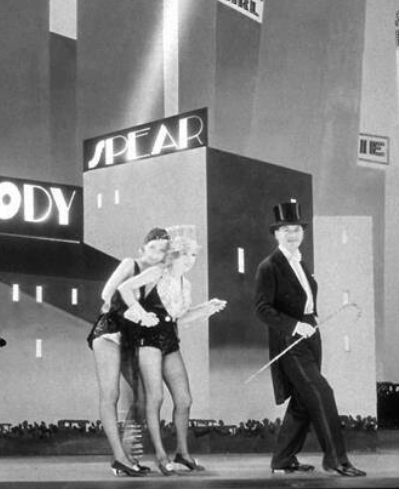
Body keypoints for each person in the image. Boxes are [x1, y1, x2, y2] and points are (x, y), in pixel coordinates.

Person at [254, 198, 366, 477]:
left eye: (297, 229)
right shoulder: (269, 266)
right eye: (286, 230)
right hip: (290, 340)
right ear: (276, 234)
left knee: (304, 399)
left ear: (302, 233)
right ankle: (336, 460)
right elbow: (262, 309)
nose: (292, 234)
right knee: (320, 392)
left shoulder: (300, 263)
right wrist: (294, 326)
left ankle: (282, 460)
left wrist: (308, 324)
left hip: (310, 334)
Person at [118, 230, 227, 476]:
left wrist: (207, 308)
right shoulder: (157, 272)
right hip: (147, 339)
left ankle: (183, 454)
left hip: (169, 340)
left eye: (193, 255)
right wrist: (141, 313)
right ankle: (160, 456)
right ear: (173, 255)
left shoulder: (185, 284)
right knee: (155, 398)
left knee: (184, 399)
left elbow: (180, 317)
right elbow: (124, 288)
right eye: (184, 254)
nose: (190, 260)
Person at [87, 227, 170, 478]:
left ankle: (127, 456)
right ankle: (119, 458)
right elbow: (106, 294)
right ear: (142, 249)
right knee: (110, 394)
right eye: (153, 247)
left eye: (162, 250)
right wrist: (135, 308)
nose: (156, 254)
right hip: (109, 332)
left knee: (143, 396)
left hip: (130, 338)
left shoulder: (157, 276)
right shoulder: (130, 264)